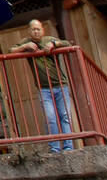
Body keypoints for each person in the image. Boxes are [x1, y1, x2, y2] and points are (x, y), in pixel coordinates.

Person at [13, 21, 76, 152]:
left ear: (43, 30)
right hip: (43, 89)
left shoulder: (49, 39)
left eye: (38, 29)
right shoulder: (27, 42)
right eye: (33, 29)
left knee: (65, 115)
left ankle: (68, 147)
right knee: (50, 118)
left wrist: (54, 44)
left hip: (60, 85)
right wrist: (24, 46)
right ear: (29, 31)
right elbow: (11, 50)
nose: (36, 32)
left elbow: (67, 43)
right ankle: (54, 148)